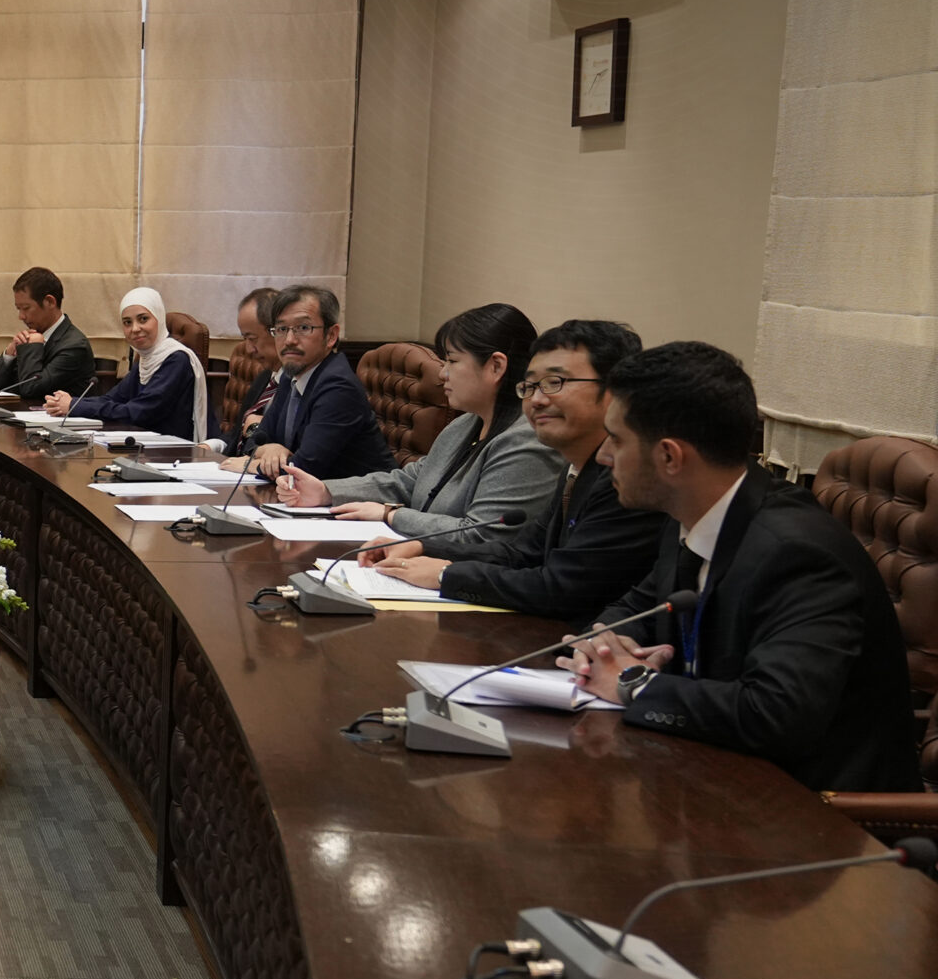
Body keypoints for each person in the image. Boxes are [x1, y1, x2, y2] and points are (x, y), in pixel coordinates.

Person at [563, 341, 917, 792]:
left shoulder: (798, 555)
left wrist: (633, 683)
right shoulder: (690, 513)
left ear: (670, 457)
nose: (603, 456)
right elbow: (635, 607)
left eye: (616, 440)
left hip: (817, 811)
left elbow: (775, 714)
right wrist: (605, 646)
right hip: (710, 777)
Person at [363, 320, 664, 628]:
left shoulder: (628, 479)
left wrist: (445, 574)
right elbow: (521, 553)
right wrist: (425, 547)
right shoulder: (576, 466)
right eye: (530, 386)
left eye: (555, 382)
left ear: (614, 391)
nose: (537, 400)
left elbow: (561, 588)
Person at [274, 302, 560, 559]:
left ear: (496, 366)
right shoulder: (465, 425)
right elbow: (409, 480)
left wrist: (391, 515)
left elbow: (481, 535)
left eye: (452, 361)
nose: (442, 373)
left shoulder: (526, 441)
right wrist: (326, 492)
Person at [221, 285, 393, 482]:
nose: (289, 340)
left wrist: (252, 465)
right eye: (281, 329)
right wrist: (270, 448)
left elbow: (305, 469)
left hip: (361, 497)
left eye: (303, 328)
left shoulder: (338, 387)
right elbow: (254, 440)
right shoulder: (290, 376)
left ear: (331, 336)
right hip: (304, 495)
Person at [44, 286, 206, 440]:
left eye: (143, 319)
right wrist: (71, 402)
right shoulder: (147, 358)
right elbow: (112, 398)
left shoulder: (176, 359)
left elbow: (139, 412)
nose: (135, 328)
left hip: (175, 452)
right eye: (127, 322)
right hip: (145, 446)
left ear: (159, 319)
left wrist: (74, 406)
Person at [0, 266, 97, 404]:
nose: (21, 316)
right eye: (18, 309)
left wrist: (33, 347)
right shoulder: (31, 339)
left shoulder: (74, 346)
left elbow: (31, 389)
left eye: (26, 308)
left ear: (50, 302)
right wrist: (9, 354)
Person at [221, 284, 283, 452]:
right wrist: (212, 445)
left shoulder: (296, 387)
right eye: (245, 339)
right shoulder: (265, 378)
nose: (248, 349)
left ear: (276, 331)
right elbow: (237, 434)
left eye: (252, 338)